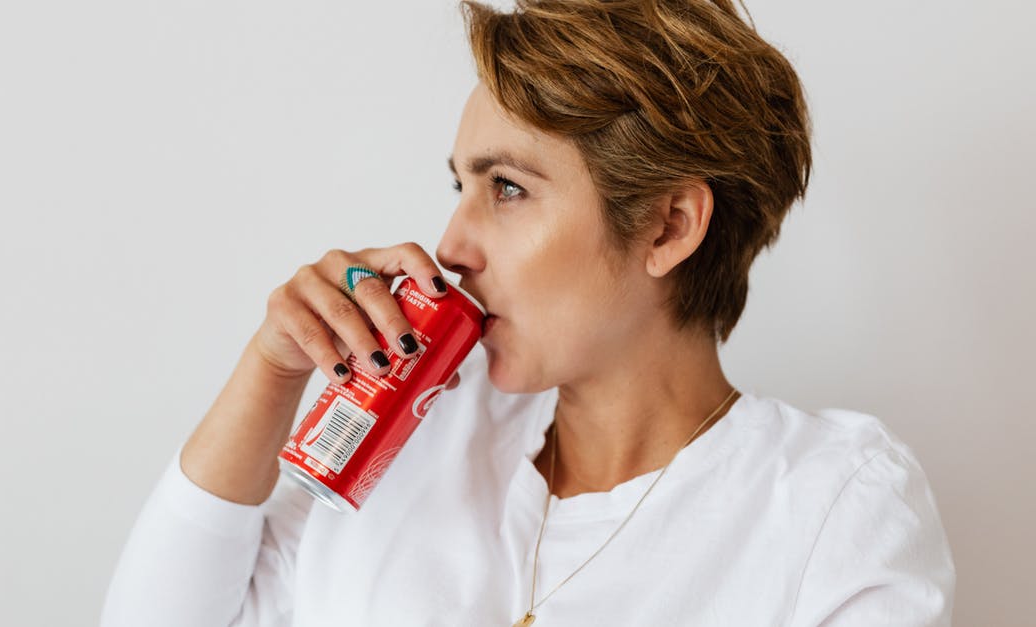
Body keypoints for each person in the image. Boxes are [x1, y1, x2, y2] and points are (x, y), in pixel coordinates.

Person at [101, 1, 956, 625]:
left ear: (668, 225)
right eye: (460, 184)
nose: (453, 242)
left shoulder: (827, 504)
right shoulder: (412, 440)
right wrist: (271, 368)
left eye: (507, 187)